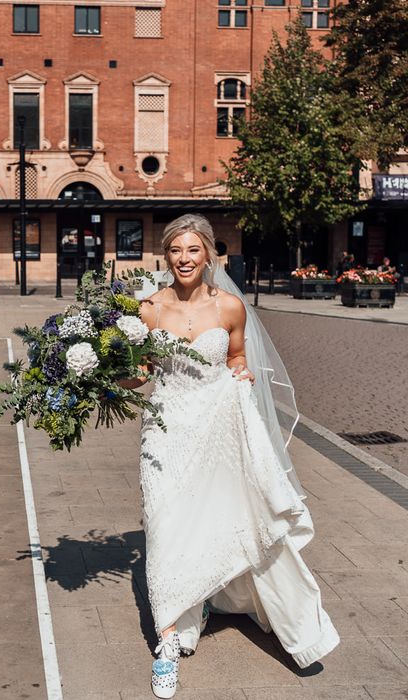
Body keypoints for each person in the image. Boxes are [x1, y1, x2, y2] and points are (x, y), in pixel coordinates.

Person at [121, 214, 339, 699]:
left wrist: (242, 375)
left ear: (208, 255)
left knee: (225, 516)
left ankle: (227, 601)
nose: (184, 259)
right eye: (176, 250)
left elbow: (236, 356)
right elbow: (140, 374)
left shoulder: (230, 308)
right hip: (166, 428)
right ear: (166, 255)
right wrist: (106, 373)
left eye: (193, 250)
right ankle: (169, 639)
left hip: (218, 425)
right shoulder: (148, 309)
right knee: (163, 524)